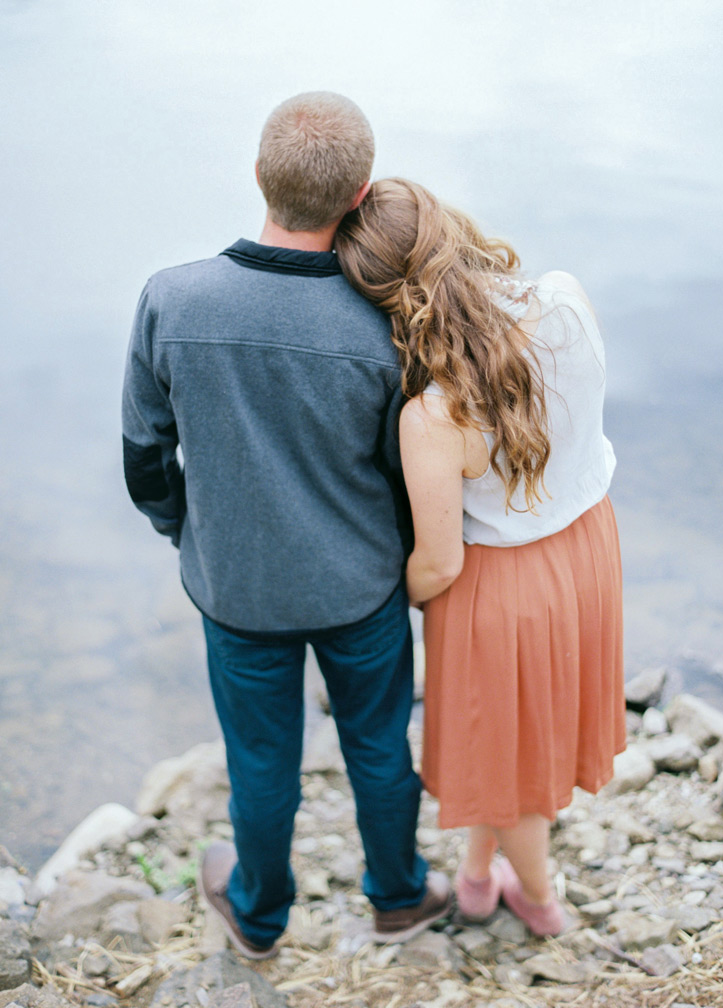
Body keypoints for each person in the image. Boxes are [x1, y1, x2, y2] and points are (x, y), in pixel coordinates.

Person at [121, 97, 451, 959]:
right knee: (379, 747)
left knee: (262, 762)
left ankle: (260, 917)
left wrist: (182, 530)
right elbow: (407, 475)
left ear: (260, 175)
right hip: (360, 585)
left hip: (238, 589)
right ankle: (398, 896)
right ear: (360, 194)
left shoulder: (170, 299)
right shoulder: (384, 326)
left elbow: (145, 456)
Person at [335, 177, 626, 936]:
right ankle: (474, 876)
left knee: (517, 774)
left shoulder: (434, 413)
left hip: (502, 587)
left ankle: (537, 902)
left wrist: (377, 593)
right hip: (589, 547)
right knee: (517, 740)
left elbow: (439, 564)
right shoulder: (565, 295)